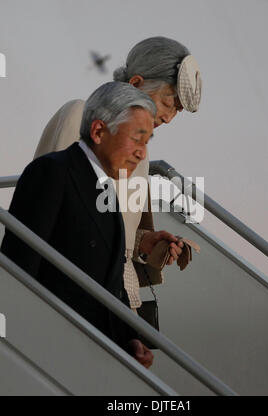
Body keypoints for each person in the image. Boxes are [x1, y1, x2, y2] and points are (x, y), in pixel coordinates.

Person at [34, 36, 202, 314]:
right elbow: (49, 218)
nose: (170, 118)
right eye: (167, 103)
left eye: (177, 111)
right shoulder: (78, 117)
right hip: (70, 291)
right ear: (135, 84)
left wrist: (144, 243)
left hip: (120, 299)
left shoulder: (142, 154)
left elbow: (111, 234)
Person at [1, 82, 159, 368]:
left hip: (87, 356)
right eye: (137, 139)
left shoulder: (106, 190)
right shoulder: (52, 172)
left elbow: (110, 284)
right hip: (50, 353)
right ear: (99, 131)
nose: (142, 153)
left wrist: (129, 339)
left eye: (147, 142)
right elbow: (17, 271)